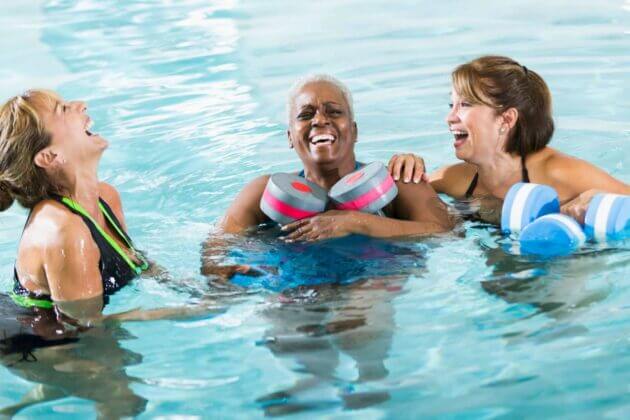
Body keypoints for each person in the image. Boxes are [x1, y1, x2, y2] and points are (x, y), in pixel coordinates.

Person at [210, 74, 452, 242]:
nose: (319, 120)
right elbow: (219, 241)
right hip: (293, 288)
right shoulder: (263, 192)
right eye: (305, 115)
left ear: (354, 130)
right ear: (290, 137)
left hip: (372, 284)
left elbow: (447, 232)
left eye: (334, 112)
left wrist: (357, 223)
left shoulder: (397, 181)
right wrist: (218, 273)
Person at [388, 55, 629, 223]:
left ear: (506, 119)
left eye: (465, 105)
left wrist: (594, 195)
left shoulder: (555, 171)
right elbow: (392, 203)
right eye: (452, 105)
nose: (449, 117)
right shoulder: (457, 179)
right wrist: (407, 166)